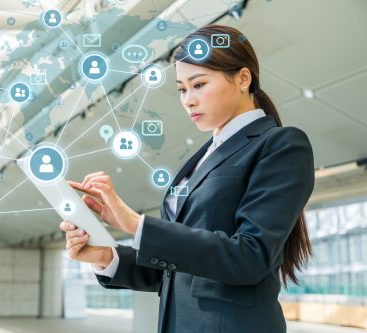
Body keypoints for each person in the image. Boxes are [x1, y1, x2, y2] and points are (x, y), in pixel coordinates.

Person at [59, 24, 314, 333]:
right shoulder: (203, 157)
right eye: (181, 88)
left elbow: (249, 257)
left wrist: (135, 224)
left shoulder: (281, 145)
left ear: (243, 78)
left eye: (199, 84)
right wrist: (105, 255)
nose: (188, 100)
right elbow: (177, 269)